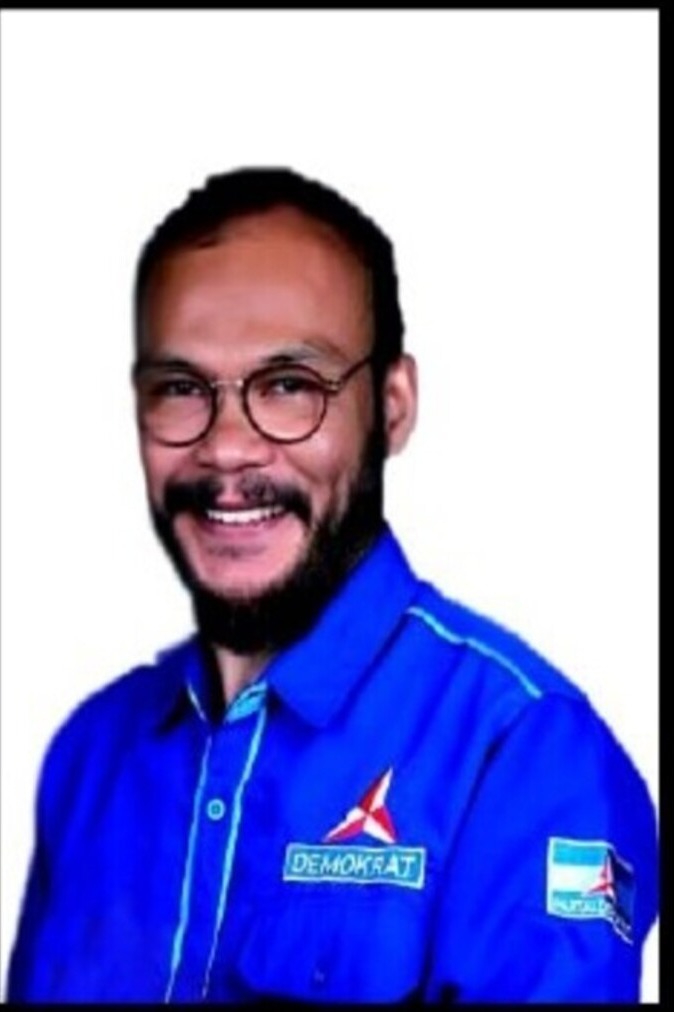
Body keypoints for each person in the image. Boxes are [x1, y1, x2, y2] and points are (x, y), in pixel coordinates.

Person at [7, 166, 658, 1004]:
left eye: (289, 387)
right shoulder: (90, 755)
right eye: (180, 389)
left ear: (392, 406)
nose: (227, 448)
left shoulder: (524, 751)